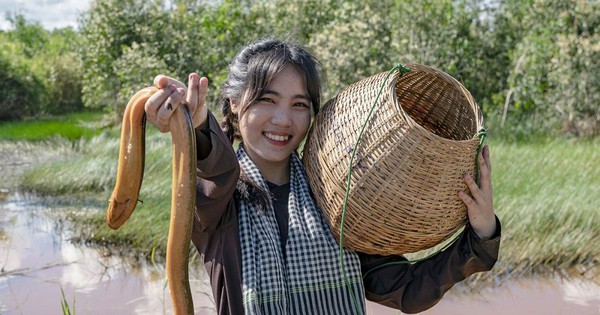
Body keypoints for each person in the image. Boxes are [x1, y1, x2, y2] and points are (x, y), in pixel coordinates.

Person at [144, 38, 501, 315]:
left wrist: (480, 236)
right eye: (267, 100)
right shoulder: (216, 205)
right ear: (235, 103)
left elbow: (406, 288)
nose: (283, 120)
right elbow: (217, 170)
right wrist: (196, 123)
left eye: (299, 105)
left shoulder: (338, 197)